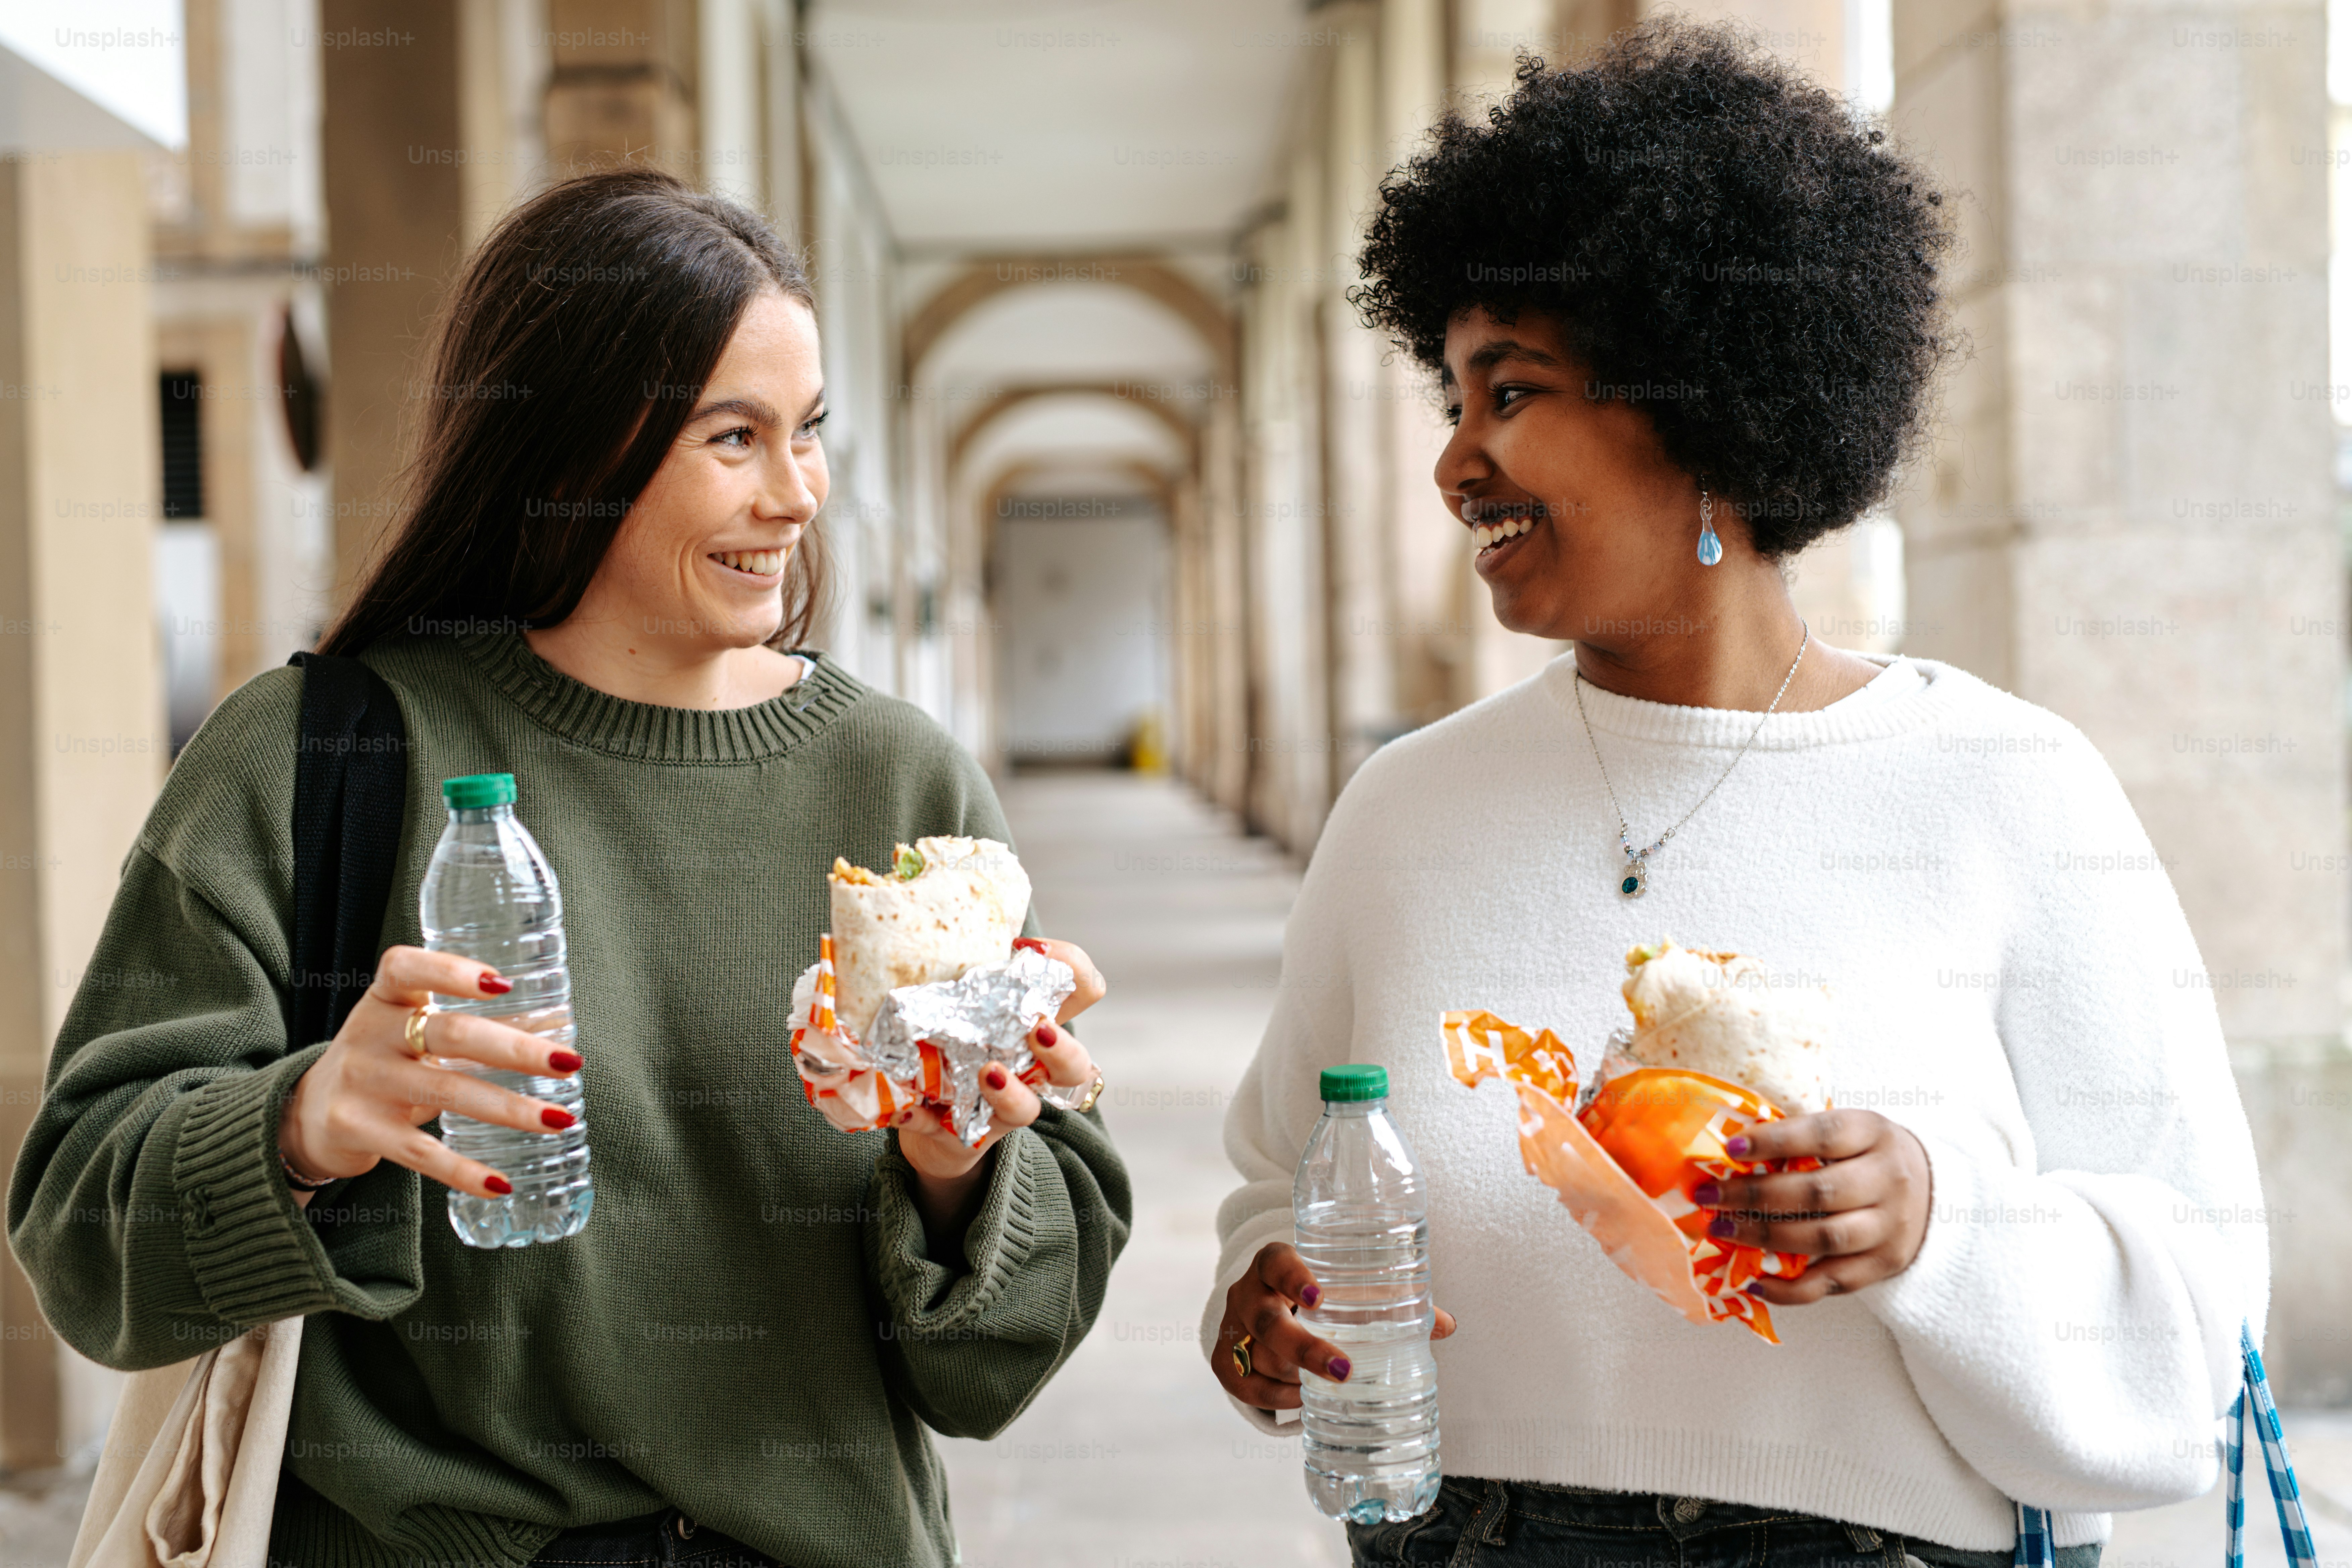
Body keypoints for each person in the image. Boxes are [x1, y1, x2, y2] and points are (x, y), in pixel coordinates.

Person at [1203, 20, 2264, 1568]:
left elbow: (2196, 1306)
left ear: (1705, 401)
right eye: (1452, 399)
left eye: (1511, 392)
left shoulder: (2009, 791)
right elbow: (1273, 1179)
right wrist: (1266, 1296)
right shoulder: (1405, 813)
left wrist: (1935, 1225)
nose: (1456, 462)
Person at [10, 168, 1128, 1568]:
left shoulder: (902, 789)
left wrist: (957, 1163)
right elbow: (79, 1241)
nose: (798, 494)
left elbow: (995, 1367)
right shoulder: (317, 758)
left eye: (811, 432)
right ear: (578, 447)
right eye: (736, 437)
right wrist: (304, 1120)